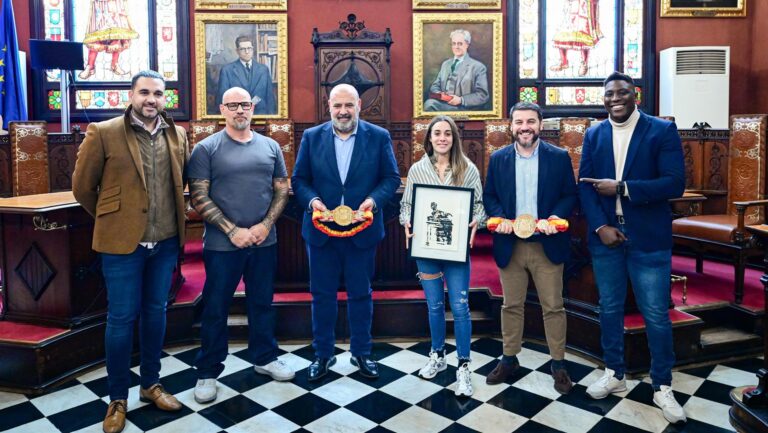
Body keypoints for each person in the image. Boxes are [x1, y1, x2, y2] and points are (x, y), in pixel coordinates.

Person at [72, 70, 188, 433]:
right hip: (123, 245)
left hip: (166, 240)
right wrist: (115, 219)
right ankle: (117, 398)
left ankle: (151, 384)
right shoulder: (104, 132)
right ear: (131, 95)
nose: (151, 99)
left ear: (164, 98)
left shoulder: (177, 134)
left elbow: (181, 180)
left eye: (157, 93)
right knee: (121, 320)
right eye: (144, 93)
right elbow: (82, 187)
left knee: (156, 313)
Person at [579, 71, 687, 424]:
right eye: (609, 94)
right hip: (607, 237)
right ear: (603, 99)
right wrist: (600, 226)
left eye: (622, 92)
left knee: (655, 312)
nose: (615, 98)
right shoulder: (594, 134)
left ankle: (662, 385)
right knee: (608, 307)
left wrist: (624, 188)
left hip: (648, 237)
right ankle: (615, 372)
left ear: (635, 94)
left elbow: (675, 184)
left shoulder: (661, 130)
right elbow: (585, 186)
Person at [187, 87, 294, 404]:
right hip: (223, 245)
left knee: (262, 302)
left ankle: (265, 358)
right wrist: (232, 230)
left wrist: (264, 225)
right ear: (222, 109)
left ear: (252, 108)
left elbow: (282, 190)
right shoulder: (206, 149)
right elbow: (198, 196)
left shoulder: (271, 146)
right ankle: (207, 371)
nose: (239, 110)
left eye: (244, 104)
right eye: (232, 105)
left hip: (264, 242)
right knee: (216, 308)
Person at [291, 84, 400, 382]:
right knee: (322, 294)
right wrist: (314, 202)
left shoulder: (378, 138)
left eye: (348, 106)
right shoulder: (312, 138)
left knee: (361, 294)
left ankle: (362, 352)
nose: (343, 111)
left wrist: (372, 201)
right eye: (338, 106)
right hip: (321, 232)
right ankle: (322, 354)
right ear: (328, 106)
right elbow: (299, 180)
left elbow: (390, 178)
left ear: (359, 106)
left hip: (361, 231)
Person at [482, 102, 577, 395]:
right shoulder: (498, 159)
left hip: (546, 245)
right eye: (519, 122)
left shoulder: (559, 157)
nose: (525, 127)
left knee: (553, 307)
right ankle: (509, 359)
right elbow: (490, 197)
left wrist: (555, 217)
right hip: (511, 245)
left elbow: (568, 195)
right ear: (511, 126)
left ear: (540, 124)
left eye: (531, 122)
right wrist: (501, 220)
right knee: (511, 305)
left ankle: (559, 365)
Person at [399, 115, 486, 397]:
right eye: (437, 133)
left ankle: (463, 365)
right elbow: (407, 205)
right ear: (429, 138)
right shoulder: (417, 169)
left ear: (454, 138)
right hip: (426, 248)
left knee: (460, 306)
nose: (442, 138)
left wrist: (476, 220)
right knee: (435, 306)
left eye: (447, 133)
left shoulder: (467, 169)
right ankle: (437, 354)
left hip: (456, 248)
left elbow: (479, 207)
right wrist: (406, 221)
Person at [424, 29, 489, 112]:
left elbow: (483, 95)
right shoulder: (446, 64)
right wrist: (439, 93)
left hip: (464, 108)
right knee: (428, 104)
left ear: (467, 45)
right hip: (443, 104)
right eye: (454, 44)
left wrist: (461, 100)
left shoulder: (478, 67)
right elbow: (435, 85)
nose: (456, 47)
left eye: (460, 44)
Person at [217, 35, 277, 115]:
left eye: (249, 48)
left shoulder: (263, 70)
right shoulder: (227, 70)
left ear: (253, 49)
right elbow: (223, 99)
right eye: (243, 49)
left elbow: (270, 99)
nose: (247, 52)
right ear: (237, 51)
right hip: (237, 115)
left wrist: (271, 119)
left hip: (261, 115)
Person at [78, 0, 139, 78]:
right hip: (99, 6)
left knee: (117, 35)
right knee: (95, 36)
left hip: (115, 5)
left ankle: (115, 64)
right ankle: (90, 66)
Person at [550, 0, 603, 76]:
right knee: (563, 33)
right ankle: (563, 62)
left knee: (584, 35)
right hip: (572, 7)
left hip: (584, 7)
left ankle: (584, 63)